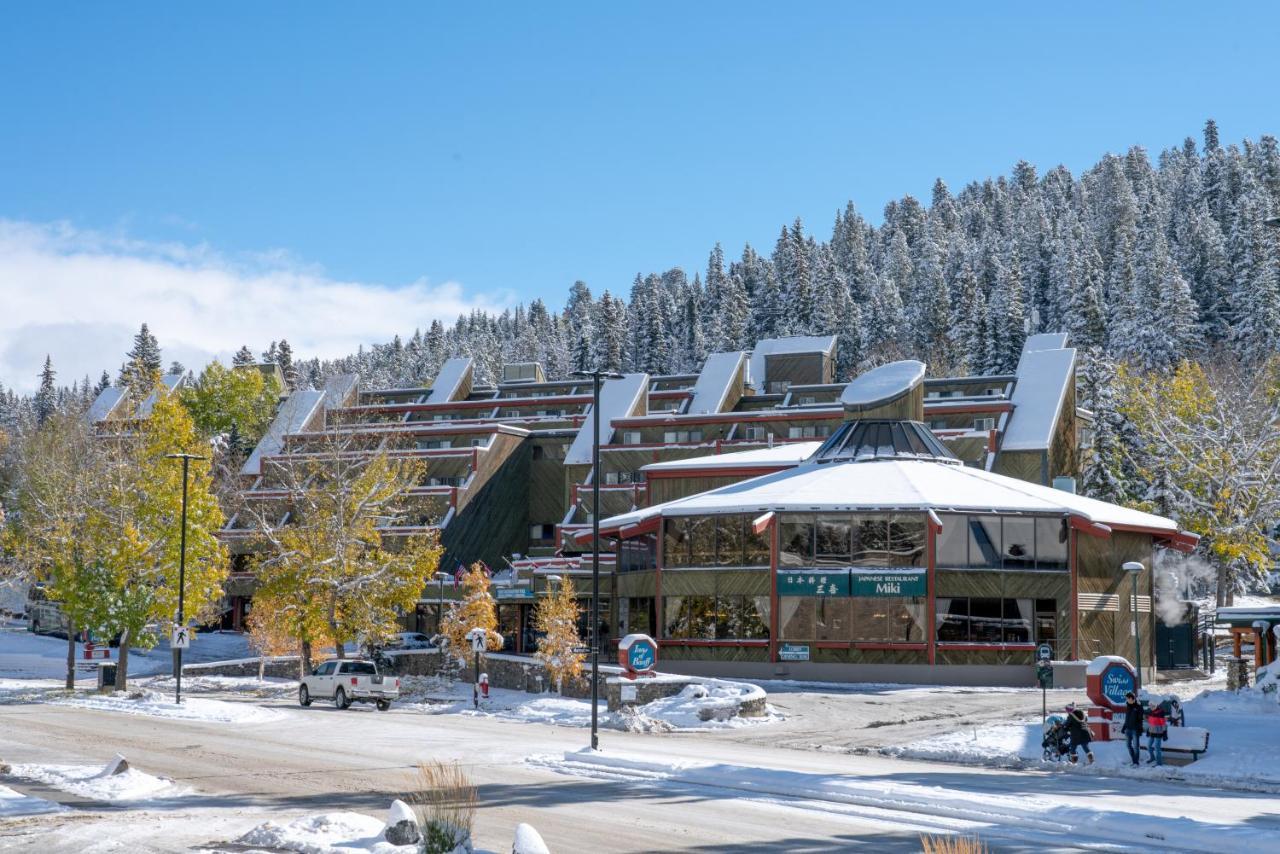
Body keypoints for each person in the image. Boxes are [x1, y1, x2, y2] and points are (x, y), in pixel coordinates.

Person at [1120, 692, 1144, 767]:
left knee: (1136, 746)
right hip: (1128, 729)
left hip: (1135, 730)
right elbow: (1127, 719)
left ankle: (1136, 763)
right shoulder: (1128, 706)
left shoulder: (1138, 706)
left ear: (1131, 698)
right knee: (1128, 745)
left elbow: (1140, 719)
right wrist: (1124, 727)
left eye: (1127, 698)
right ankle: (1134, 760)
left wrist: (1140, 707)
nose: (1126, 700)